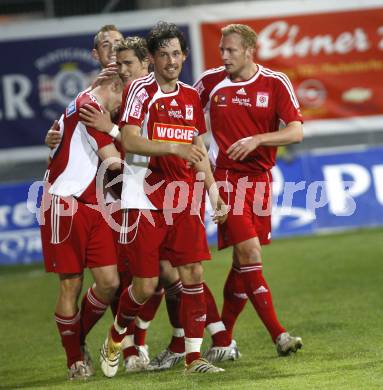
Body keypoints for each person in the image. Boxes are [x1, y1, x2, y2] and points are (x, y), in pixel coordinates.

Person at [80, 37, 238, 372]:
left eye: (176, 54)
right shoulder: (140, 90)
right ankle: (117, 333)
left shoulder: (191, 96)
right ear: (153, 58)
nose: (171, 61)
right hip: (143, 198)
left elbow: (197, 148)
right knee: (146, 285)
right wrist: (173, 148)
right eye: (164, 54)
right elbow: (132, 138)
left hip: (183, 197)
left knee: (192, 272)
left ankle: (194, 358)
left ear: (185, 55)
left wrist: (213, 192)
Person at [194, 23, 303, 360]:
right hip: (225, 179)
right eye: (222, 49)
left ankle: (223, 340)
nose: (224, 55)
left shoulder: (274, 82)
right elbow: (181, 111)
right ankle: (279, 335)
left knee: (243, 265)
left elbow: (296, 132)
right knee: (251, 254)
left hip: (259, 181)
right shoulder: (210, 82)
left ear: (249, 50)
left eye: (231, 50)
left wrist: (259, 139)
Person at [39, 74, 124, 380]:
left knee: (109, 281)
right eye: (119, 100)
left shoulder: (83, 100)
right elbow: (112, 161)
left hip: (93, 204)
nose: (117, 110)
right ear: (113, 87)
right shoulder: (91, 108)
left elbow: (55, 146)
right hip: (65, 203)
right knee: (70, 284)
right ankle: (75, 360)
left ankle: (76, 339)